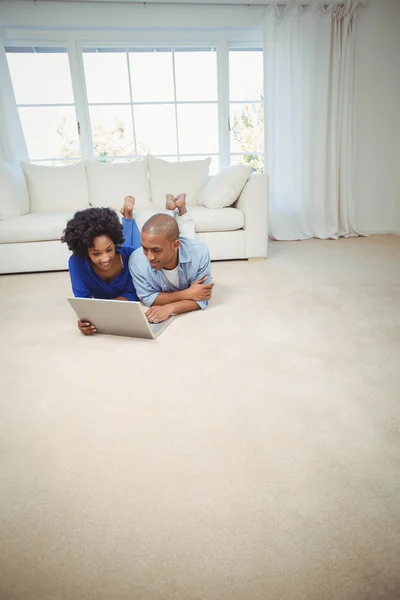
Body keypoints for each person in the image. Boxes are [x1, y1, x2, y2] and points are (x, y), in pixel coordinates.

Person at [61, 194, 196, 335]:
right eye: (96, 253)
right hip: (124, 253)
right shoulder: (76, 263)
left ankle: (133, 215)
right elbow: (83, 303)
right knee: (131, 243)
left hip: (130, 252)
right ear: (84, 251)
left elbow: (133, 293)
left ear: (114, 244)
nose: (105, 258)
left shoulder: (134, 255)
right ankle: (128, 215)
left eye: (109, 249)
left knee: (137, 244)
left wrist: (103, 310)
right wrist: (86, 320)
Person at [128, 207, 214, 325]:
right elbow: (148, 298)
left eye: (156, 250)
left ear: (175, 245)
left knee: (190, 238)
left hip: (188, 249)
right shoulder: (136, 260)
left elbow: (202, 297)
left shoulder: (200, 252)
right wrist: (187, 293)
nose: (149, 257)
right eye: (144, 248)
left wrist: (169, 308)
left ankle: (180, 208)